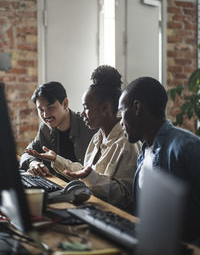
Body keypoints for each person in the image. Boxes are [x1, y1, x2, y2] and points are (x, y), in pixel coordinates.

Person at [27, 65, 141, 211]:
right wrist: (56, 159)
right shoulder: (97, 138)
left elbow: (124, 197)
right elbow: (84, 171)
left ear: (105, 108)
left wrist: (90, 176)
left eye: (86, 107)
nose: (82, 113)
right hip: (92, 208)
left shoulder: (127, 143)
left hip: (113, 215)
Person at [118, 76, 200, 242]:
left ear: (137, 107)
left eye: (121, 112)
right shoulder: (144, 153)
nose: (120, 122)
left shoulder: (186, 147)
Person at [19, 81, 97, 179]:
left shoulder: (88, 125)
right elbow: (26, 153)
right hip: (59, 187)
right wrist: (33, 163)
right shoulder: (45, 129)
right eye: (41, 110)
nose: (45, 115)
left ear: (65, 104)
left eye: (50, 108)